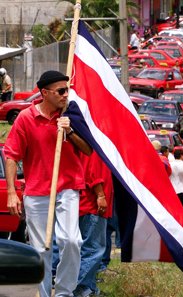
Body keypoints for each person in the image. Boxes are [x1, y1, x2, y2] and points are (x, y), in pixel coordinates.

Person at [5, 70, 92, 297]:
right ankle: (44, 294)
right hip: (36, 192)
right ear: (44, 93)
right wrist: (12, 192)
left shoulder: (71, 114)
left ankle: (64, 292)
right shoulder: (26, 117)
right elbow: (11, 155)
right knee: (40, 248)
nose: (66, 94)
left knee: (71, 240)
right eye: (61, 91)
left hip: (68, 188)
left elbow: (88, 150)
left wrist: (69, 131)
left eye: (68, 89)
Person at [74, 151, 113, 297]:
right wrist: (101, 195)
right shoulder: (96, 146)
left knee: (89, 248)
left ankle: (88, 286)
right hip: (92, 205)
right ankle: (83, 289)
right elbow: (93, 171)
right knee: (93, 249)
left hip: (89, 205)